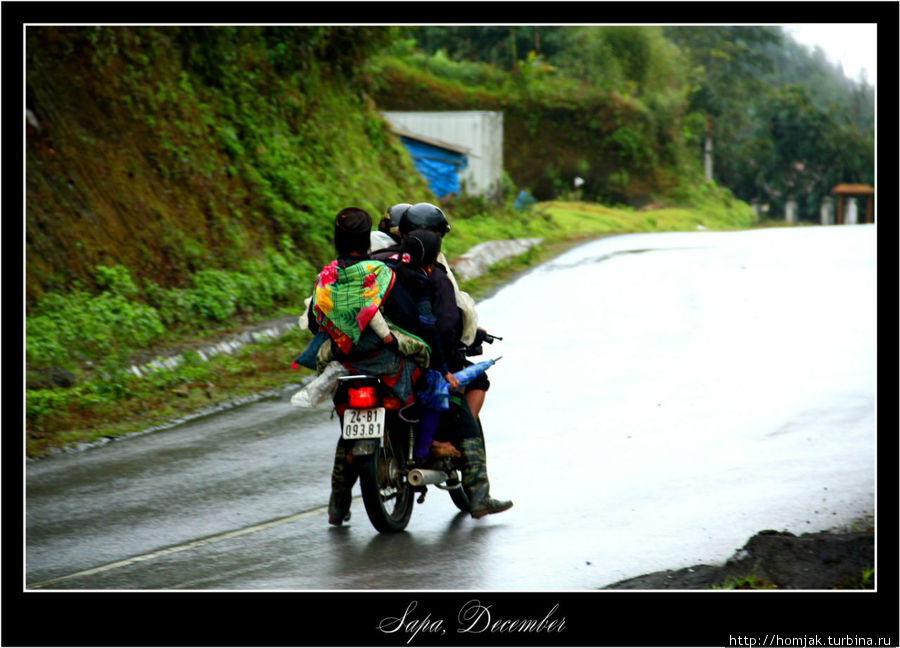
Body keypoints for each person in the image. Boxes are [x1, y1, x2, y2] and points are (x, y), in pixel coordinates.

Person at [391, 229, 463, 464]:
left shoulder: (393, 271)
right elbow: (428, 324)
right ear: (433, 256)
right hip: (413, 350)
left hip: (389, 345)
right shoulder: (422, 280)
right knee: (435, 388)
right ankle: (423, 454)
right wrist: (442, 368)